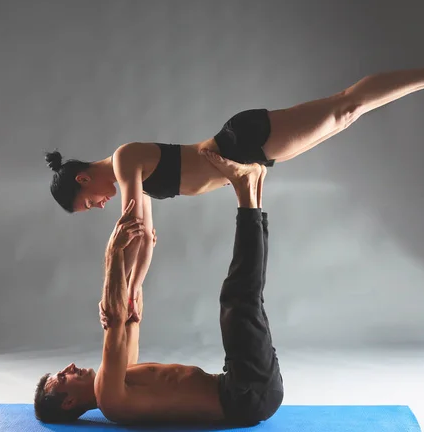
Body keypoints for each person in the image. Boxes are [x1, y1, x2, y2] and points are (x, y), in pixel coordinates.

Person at [45, 55, 424, 320]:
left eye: (89, 202)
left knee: (345, 108)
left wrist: (117, 288)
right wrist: (134, 289)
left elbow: (131, 225)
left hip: (240, 142)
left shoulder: (124, 159)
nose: (100, 205)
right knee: (346, 112)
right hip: (245, 157)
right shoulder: (130, 175)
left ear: (83, 178)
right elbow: (149, 236)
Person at [34, 152, 283, 426]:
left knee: (245, 299)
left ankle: (254, 189)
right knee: (239, 300)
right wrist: (112, 254)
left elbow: (129, 308)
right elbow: (114, 319)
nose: (69, 367)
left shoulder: (120, 374)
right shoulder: (109, 398)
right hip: (243, 395)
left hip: (243, 386)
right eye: (62, 377)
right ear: (69, 402)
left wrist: (142, 206)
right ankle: (248, 194)